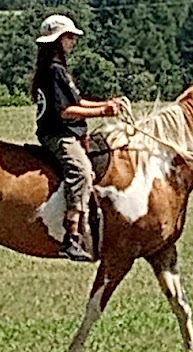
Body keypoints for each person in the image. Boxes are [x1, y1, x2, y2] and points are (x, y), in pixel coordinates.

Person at [31, 13, 126, 262]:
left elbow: (77, 101)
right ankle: (71, 235)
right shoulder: (54, 71)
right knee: (81, 171)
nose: (73, 41)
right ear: (58, 40)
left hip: (65, 131)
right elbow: (65, 111)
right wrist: (103, 111)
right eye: (69, 36)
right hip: (59, 134)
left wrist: (106, 103)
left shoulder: (58, 69)